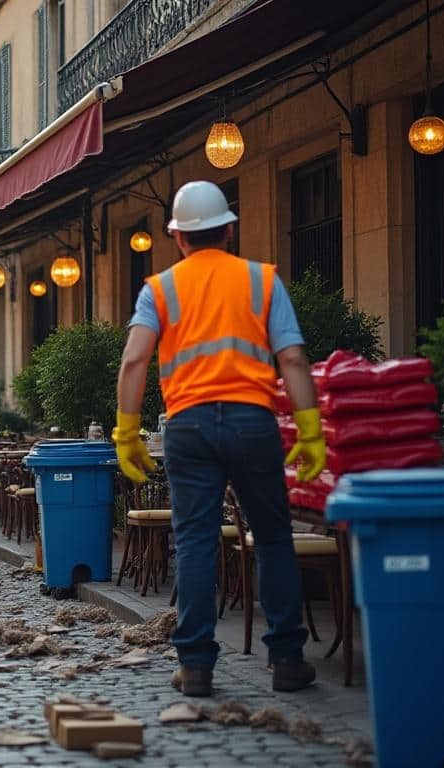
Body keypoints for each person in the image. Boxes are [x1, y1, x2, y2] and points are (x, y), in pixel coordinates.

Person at [113, 180, 325, 698]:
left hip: (187, 427)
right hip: (253, 424)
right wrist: (312, 429)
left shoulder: (158, 289)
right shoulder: (263, 281)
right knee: (273, 538)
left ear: (178, 238)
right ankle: (287, 660)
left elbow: (135, 359)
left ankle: (197, 666)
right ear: (230, 230)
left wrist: (126, 429)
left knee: (195, 539)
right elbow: (293, 358)